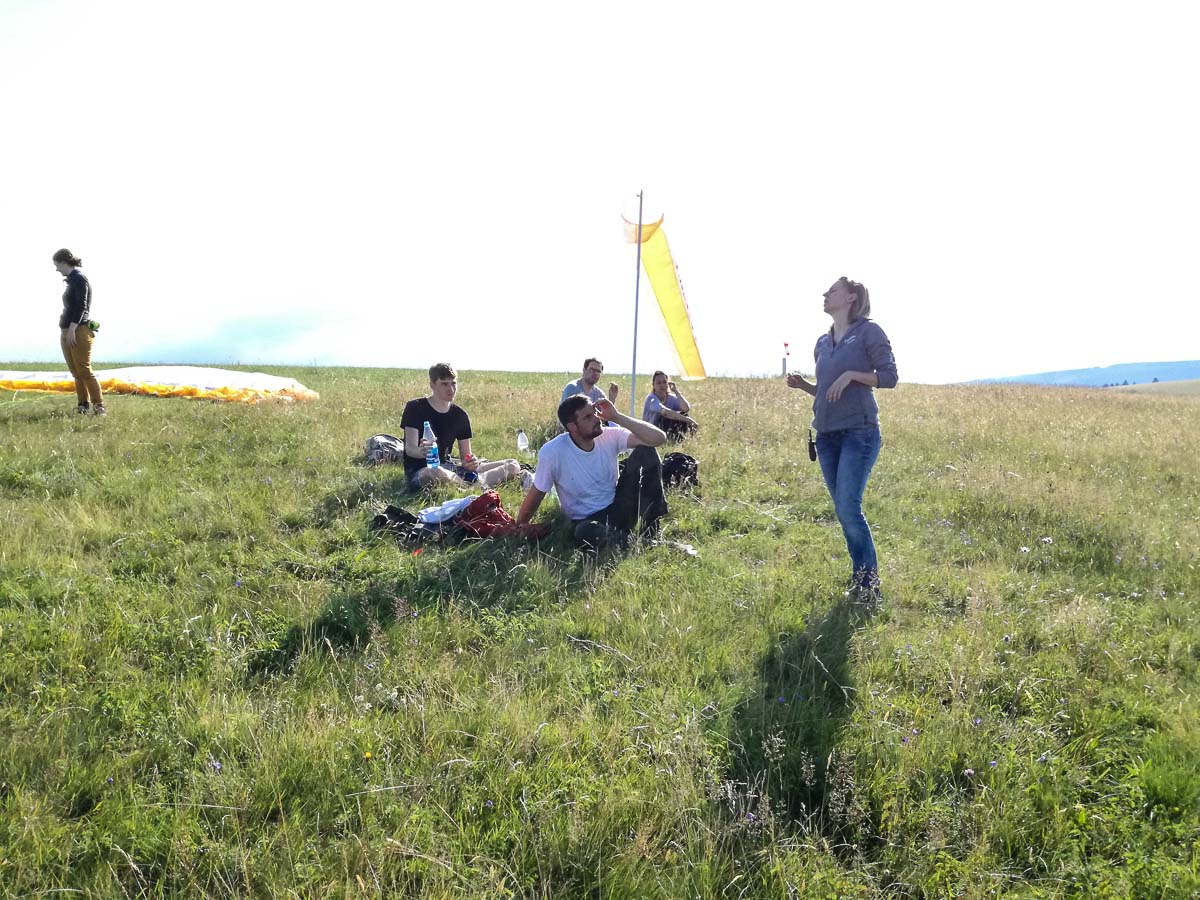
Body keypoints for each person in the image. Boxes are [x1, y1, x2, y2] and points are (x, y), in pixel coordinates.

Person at [786, 277, 897, 605]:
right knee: (843, 509)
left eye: (832, 290)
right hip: (826, 436)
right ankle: (860, 577)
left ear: (851, 298)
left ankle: (869, 585)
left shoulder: (869, 332)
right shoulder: (822, 342)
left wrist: (851, 376)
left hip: (858, 432)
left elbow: (889, 377)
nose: (825, 294)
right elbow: (828, 391)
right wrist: (805, 386)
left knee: (849, 507)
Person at [516, 394, 668, 549]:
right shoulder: (553, 452)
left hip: (619, 505)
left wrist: (617, 417)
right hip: (588, 519)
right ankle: (630, 542)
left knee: (647, 451)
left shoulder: (609, 435)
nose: (596, 419)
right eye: (588, 417)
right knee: (584, 531)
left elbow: (658, 438)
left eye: (595, 412)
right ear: (572, 427)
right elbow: (538, 492)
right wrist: (518, 526)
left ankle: (651, 532)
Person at [401, 363, 522, 492]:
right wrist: (422, 451)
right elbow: (410, 449)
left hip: (450, 468)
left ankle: (471, 486)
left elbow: (466, 459)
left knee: (513, 464)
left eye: (453, 383)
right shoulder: (415, 407)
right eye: (444, 384)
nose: (451, 389)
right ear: (432, 385)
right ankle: (471, 486)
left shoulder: (460, 415)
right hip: (421, 471)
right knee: (435, 472)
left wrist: (471, 462)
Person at [53, 248, 105, 416]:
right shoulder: (70, 280)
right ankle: (83, 405)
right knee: (75, 372)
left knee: (84, 370)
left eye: (57, 265)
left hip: (78, 330)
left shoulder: (79, 279)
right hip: (66, 330)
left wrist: (72, 329)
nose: (56, 269)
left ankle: (99, 406)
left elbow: (81, 306)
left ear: (64, 263)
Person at [642, 370, 698, 442]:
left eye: (664, 382)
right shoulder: (651, 399)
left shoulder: (671, 398)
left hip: (668, 431)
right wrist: (689, 420)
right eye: (658, 383)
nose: (662, 385)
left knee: (683, 415)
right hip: (651, 432)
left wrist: (676, 392)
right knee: (666, 418)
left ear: (667, 384)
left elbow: (686, 408)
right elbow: (665, 412)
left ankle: (680, 442)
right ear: (653, 385)